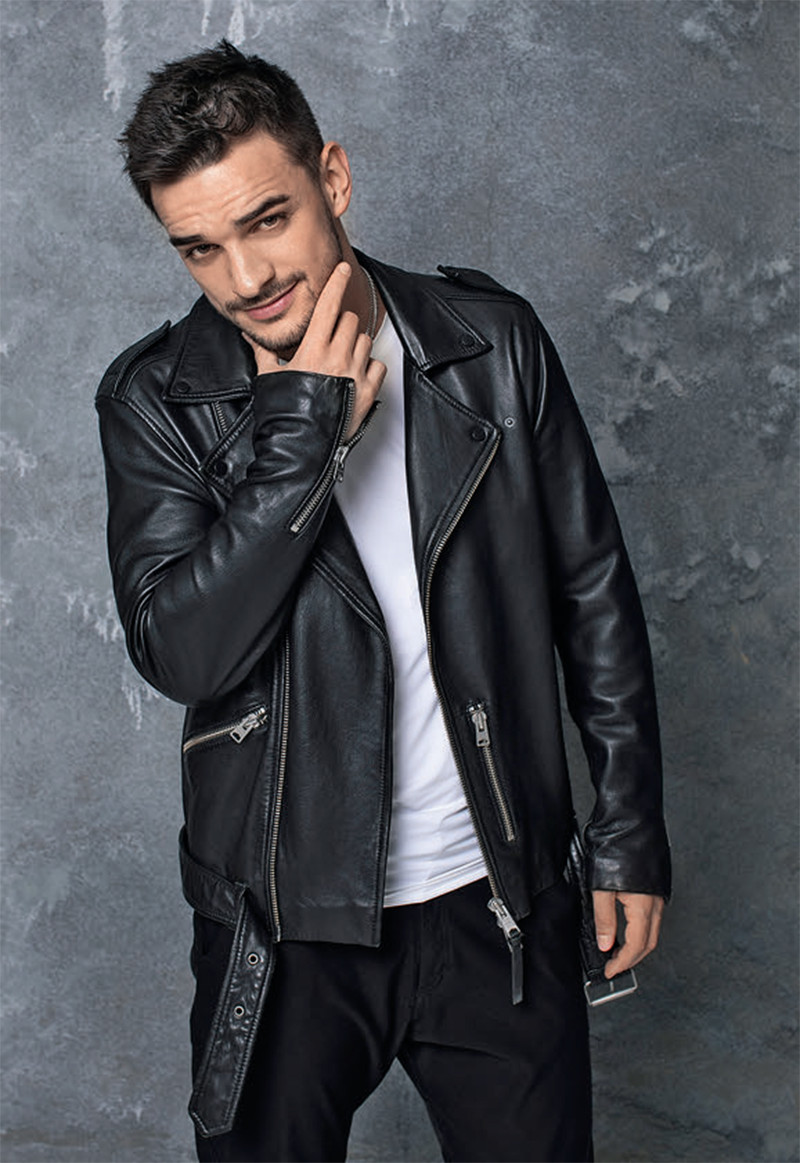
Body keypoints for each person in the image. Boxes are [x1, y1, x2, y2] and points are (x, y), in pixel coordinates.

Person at [96, 40, 670, 1163]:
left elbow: (592, 593)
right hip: (281, 920)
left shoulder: (489, 345)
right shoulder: (159, 400)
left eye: (267, 220)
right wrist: (300, 435)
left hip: (495, 895)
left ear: (334, 178)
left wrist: (629, 835)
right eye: (200, 248)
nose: (244, 278)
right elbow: (182, 650)